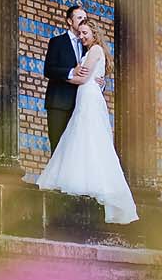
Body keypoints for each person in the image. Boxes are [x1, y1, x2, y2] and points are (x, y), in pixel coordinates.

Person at [36, 19, 138, 224]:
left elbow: (82, 78)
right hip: (86, 95)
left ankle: (89, 181)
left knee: (88, 136)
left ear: (94, 33)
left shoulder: (95, 50)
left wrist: (64, 77)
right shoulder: (93, 51)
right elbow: (90, 75)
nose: (82, 36)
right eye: (80, 33)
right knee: (82, 136)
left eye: (85, 33)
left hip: (88, 96)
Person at [42, 4, 88, 153]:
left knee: (74, 152)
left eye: (85, 18)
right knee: (57, 148)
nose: (83, 20)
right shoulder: (57, 42)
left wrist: (100, 83)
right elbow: (49, 70)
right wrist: (71, 72)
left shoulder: (87, 46)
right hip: (58, 103)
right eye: (79, 17)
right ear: (69, 21)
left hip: (79, 105)